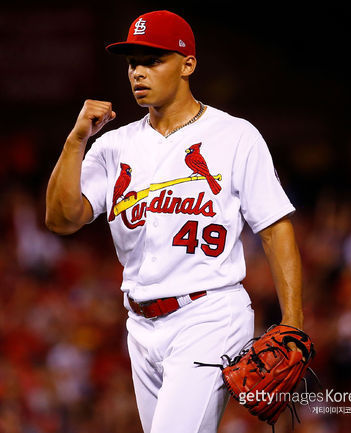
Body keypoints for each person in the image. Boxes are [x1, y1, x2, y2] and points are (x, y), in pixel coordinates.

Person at [45, 10, 304, 433]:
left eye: (153, 60)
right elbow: (61, 220)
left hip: (208, 314)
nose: (138, 72)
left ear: (188, 65)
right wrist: (76, 142)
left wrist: (293, 322)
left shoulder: (234, 135)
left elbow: (276, 230)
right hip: (140, 325)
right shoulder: (113, 145)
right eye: (133, 63)